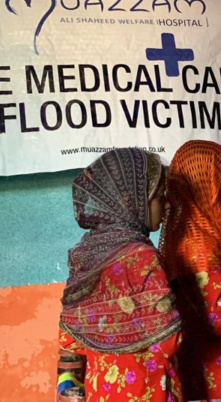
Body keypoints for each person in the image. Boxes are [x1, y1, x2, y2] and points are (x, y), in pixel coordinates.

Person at [57, 148, 183, 402]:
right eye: (159, 196)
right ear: (133, 200)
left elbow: (70, 340)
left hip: (101, 391)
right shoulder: (143, 258)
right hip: (148, 391)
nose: (167, 204)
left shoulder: (86, 256)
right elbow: (169, 341)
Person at [159, 140, 221, 401]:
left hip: (208, 370)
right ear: (202, 189)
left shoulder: (185, 236)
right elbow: (220, 318)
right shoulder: (200, 245)